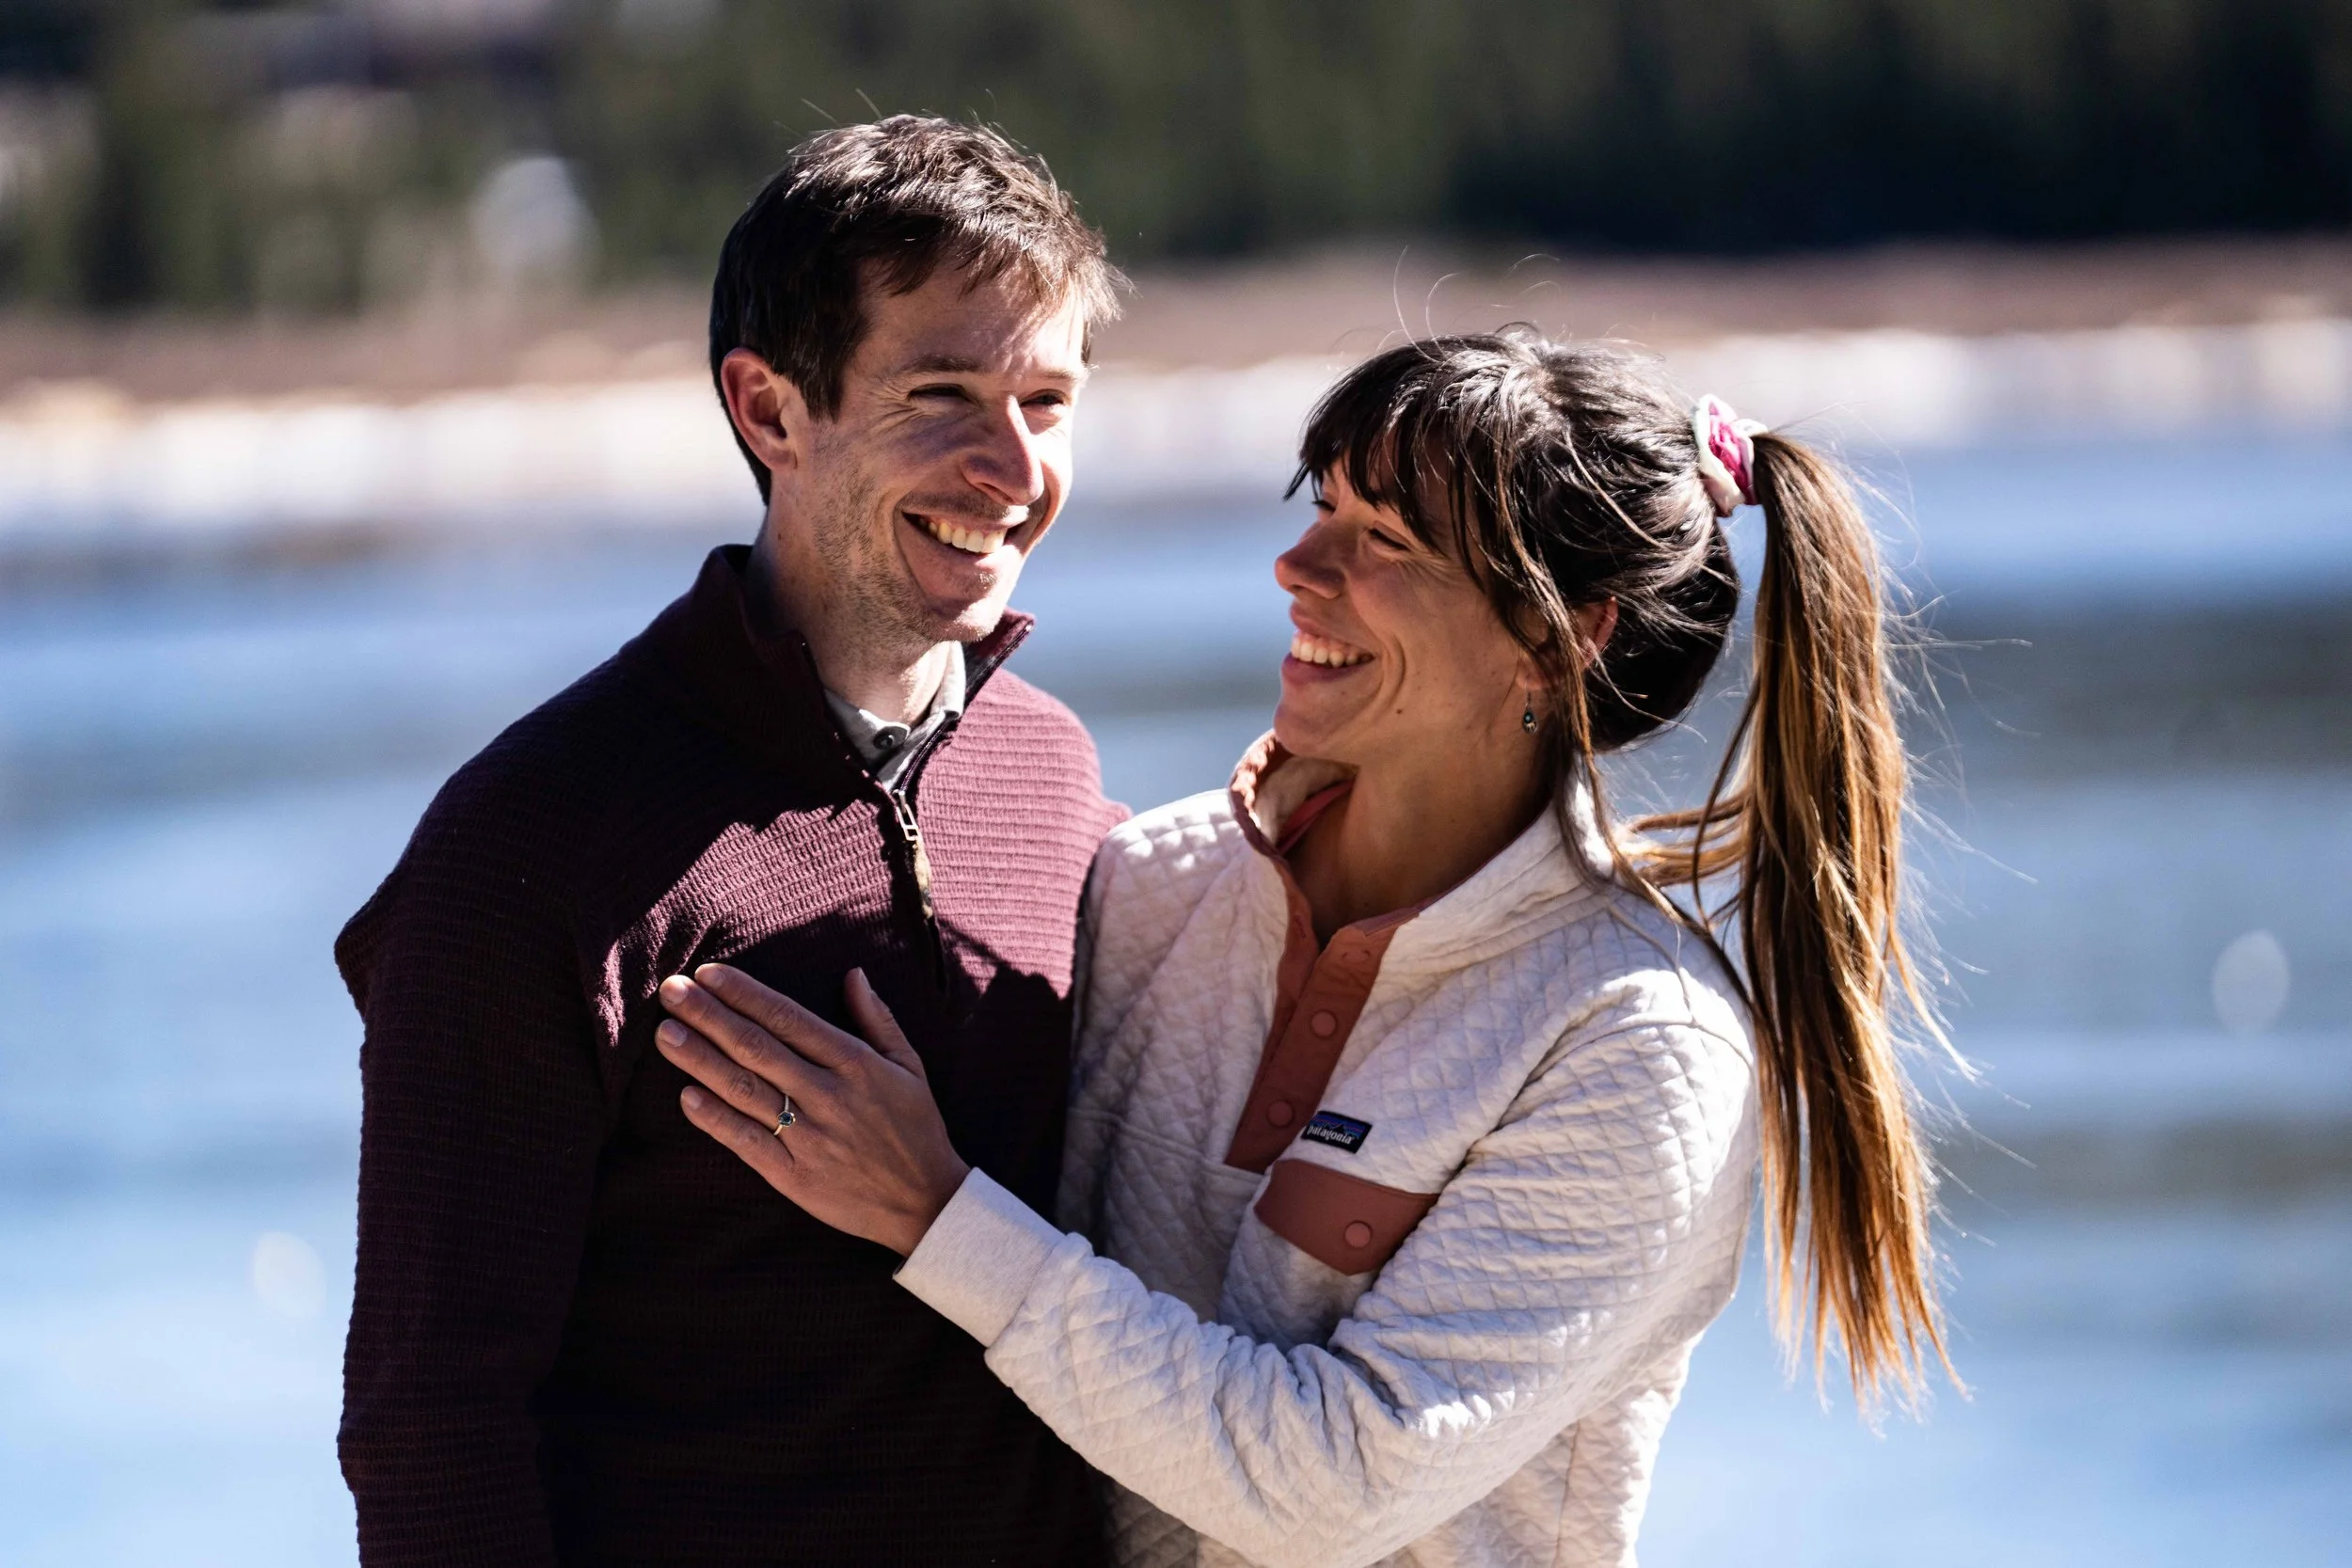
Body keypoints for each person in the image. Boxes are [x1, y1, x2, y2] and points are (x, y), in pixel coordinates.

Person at [655, 333, 1955, 1567]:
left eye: (1382, 538)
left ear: (1566, 637)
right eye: (1321, 503)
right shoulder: (1149, 886)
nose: (1298, 565)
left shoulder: (1634, 1039)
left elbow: (1332, 1480)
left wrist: (936, 1212)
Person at [334, 117, 1126, 1565]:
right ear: (770, 411)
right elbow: (431, 1420)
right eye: (943, 391)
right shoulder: (535, 844)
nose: (1013, 466)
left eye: (1049, 399)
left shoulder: (1058, 779)